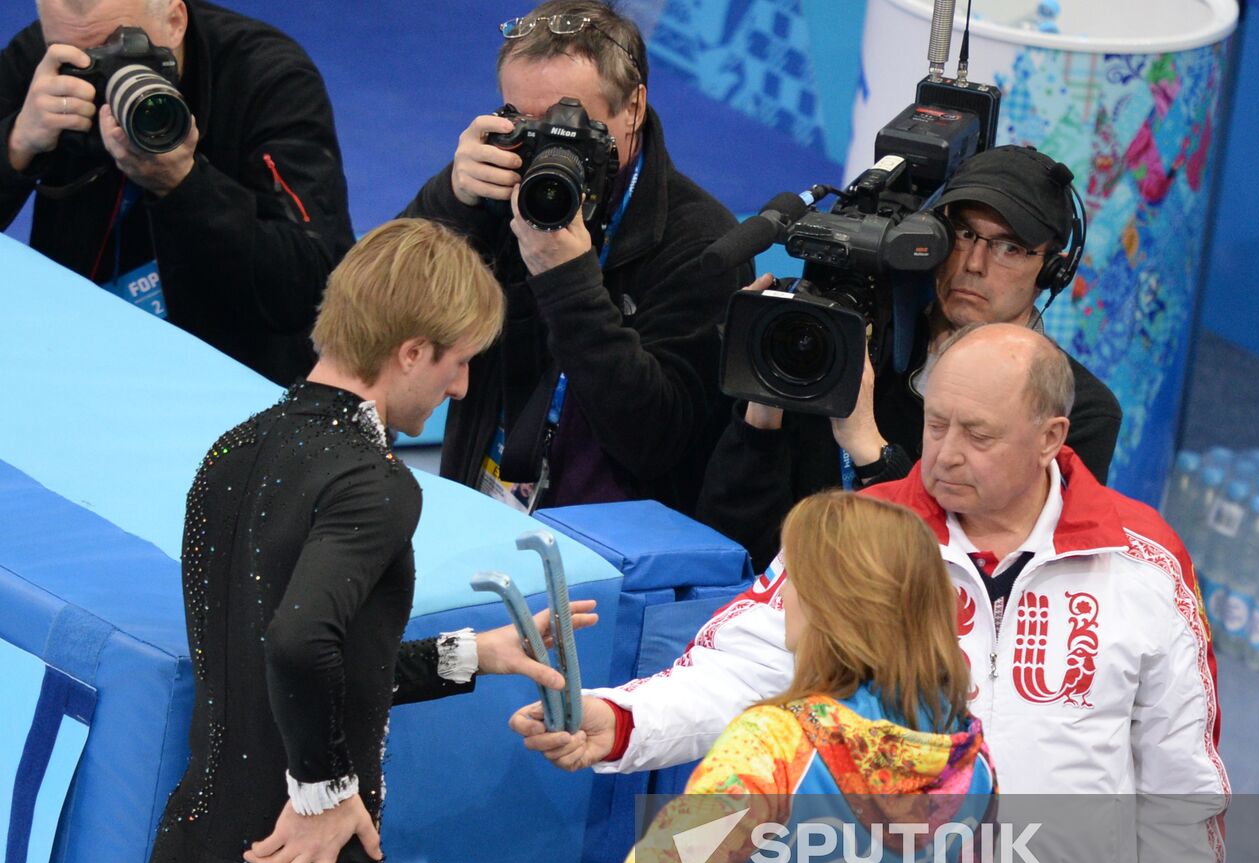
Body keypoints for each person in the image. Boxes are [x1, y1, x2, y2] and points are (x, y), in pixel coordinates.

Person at [513, 323, 1228, 863]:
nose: (944, 453)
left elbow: (1180, 774)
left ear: (1050, 438)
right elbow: (736, 673)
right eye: (935, 421)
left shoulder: (1143, 558)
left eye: (976, 435)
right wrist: (621, 719)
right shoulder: (855, 536)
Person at [133, 218, 597, 863]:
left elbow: (275, 659)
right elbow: (295, 644)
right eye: (456, 364)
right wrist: (322, 794)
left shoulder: (234, 448)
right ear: (410, 350)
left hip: (185, 862)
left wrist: (470, 655)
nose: (458, 389)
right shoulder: (373, 480)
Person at [540, 490, 994, 863]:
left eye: (795, 578)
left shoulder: (780, 739)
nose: (784, 596)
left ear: (830, 604)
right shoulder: (969, 749)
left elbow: (690, 843)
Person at [698, 144, 1124, 569]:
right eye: (962, 234)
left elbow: (985, 584)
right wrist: (764, 405)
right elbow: (734, 547)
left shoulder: (1079, 411)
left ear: (1054, 269)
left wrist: (872, 452)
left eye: (1008, 248)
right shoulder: (850, 344)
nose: (973, 263)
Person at [400, 0, 750, 516]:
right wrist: (449, 201)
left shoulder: (702, 245)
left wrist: (567, 282)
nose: (547, 146)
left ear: (632, 107)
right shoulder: (499, 189)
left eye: (571, 121)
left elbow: (657, 440)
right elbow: (377, 314)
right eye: (522, 118)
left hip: (616, 551)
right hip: (481, 503)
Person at [0, 0, 354, 384]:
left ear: (175, 20)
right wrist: (17, 144)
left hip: (232, 377)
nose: (98, 73)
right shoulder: (46, 60)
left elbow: (312, 287)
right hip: (80, 360)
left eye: (122, 43)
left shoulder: (269, 80)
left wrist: (184, 184)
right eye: (78, 62)